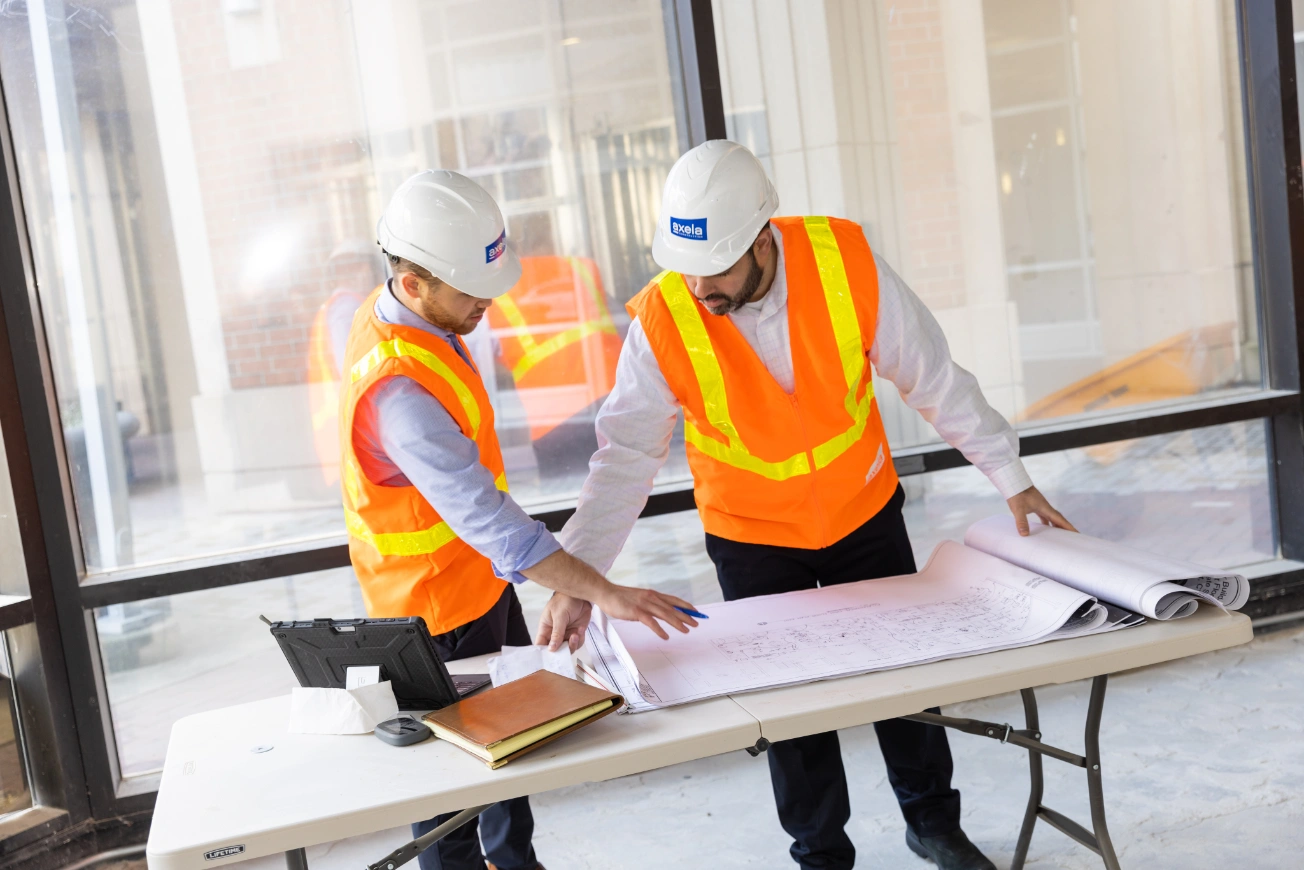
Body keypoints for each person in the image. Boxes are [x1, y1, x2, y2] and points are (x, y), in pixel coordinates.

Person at [552, 141, 1077, 870]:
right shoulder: (665, 317)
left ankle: (932, 824)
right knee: (791, 709)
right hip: (753, 538)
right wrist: (578, 578)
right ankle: (821, 853)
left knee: (905, 679)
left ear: (762, 237)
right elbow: (624, 458)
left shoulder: (845, 263)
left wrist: (1011, 476)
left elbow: (933, 376)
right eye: (688, 268)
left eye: (718, 268)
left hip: (863, 512)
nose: (700, 286)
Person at [340, 169, 701, 870]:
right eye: (470, 293)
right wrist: (604, 591)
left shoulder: (415, 315)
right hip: (428, 615)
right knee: (450, 800)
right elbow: (492, 522)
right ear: (413, 284)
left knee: (515, 750)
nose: (487, 304)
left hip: (478, 587)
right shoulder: (398, 389)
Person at [308, 239, 385, 486]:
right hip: (354, 419)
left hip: (342, 418)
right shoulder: (347, 307)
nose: (369, 274)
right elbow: (352, 366)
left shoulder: (335, 307)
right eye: (365, 268)